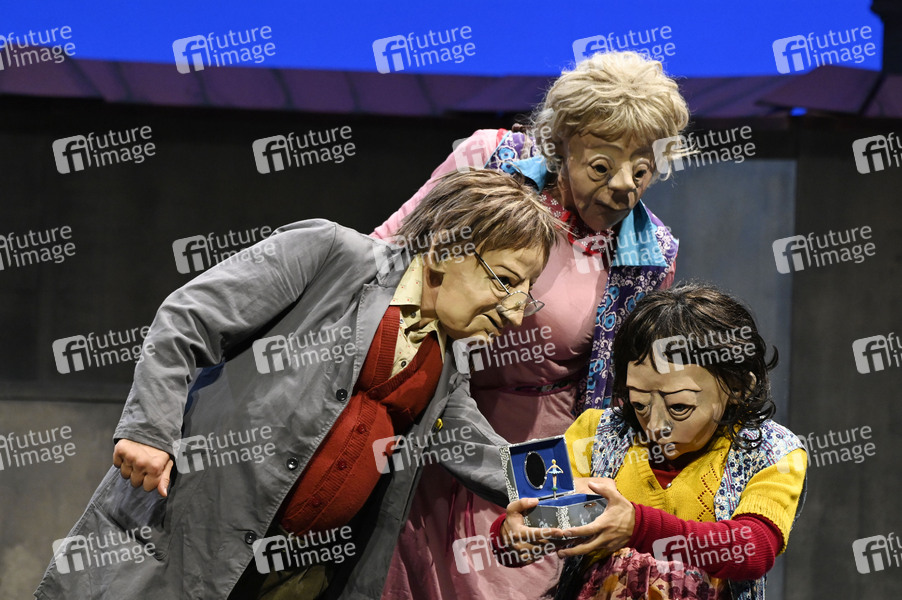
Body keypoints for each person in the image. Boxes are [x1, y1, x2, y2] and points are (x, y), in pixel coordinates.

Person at [33, 169, 562, 600]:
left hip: (292, 577)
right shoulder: (330, 253)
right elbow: (188, 317)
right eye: (505, 281)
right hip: (188, 536)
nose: (515, 313)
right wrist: (149, 429)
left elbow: (475, 443)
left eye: (525, 292)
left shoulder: (447, 358)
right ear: (447, 249)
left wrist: (565, 496)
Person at [373, 50, 689, 600]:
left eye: (642, 172)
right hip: (418, 411)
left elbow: (619, 395)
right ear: (561, 142)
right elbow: (385, 257)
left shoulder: (651, 254)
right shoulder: (488, 159)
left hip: (535, 452)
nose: (623, 186)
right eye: (601, 167)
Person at [495, 284, 808, 600]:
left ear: (738, 387)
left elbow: (753, 547)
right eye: (641, 404)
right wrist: (514, 535)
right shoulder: (597, 433)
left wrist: (637, 527)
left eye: (679, 407)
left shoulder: (771, 451)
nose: (656, 425)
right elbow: (528, 519)